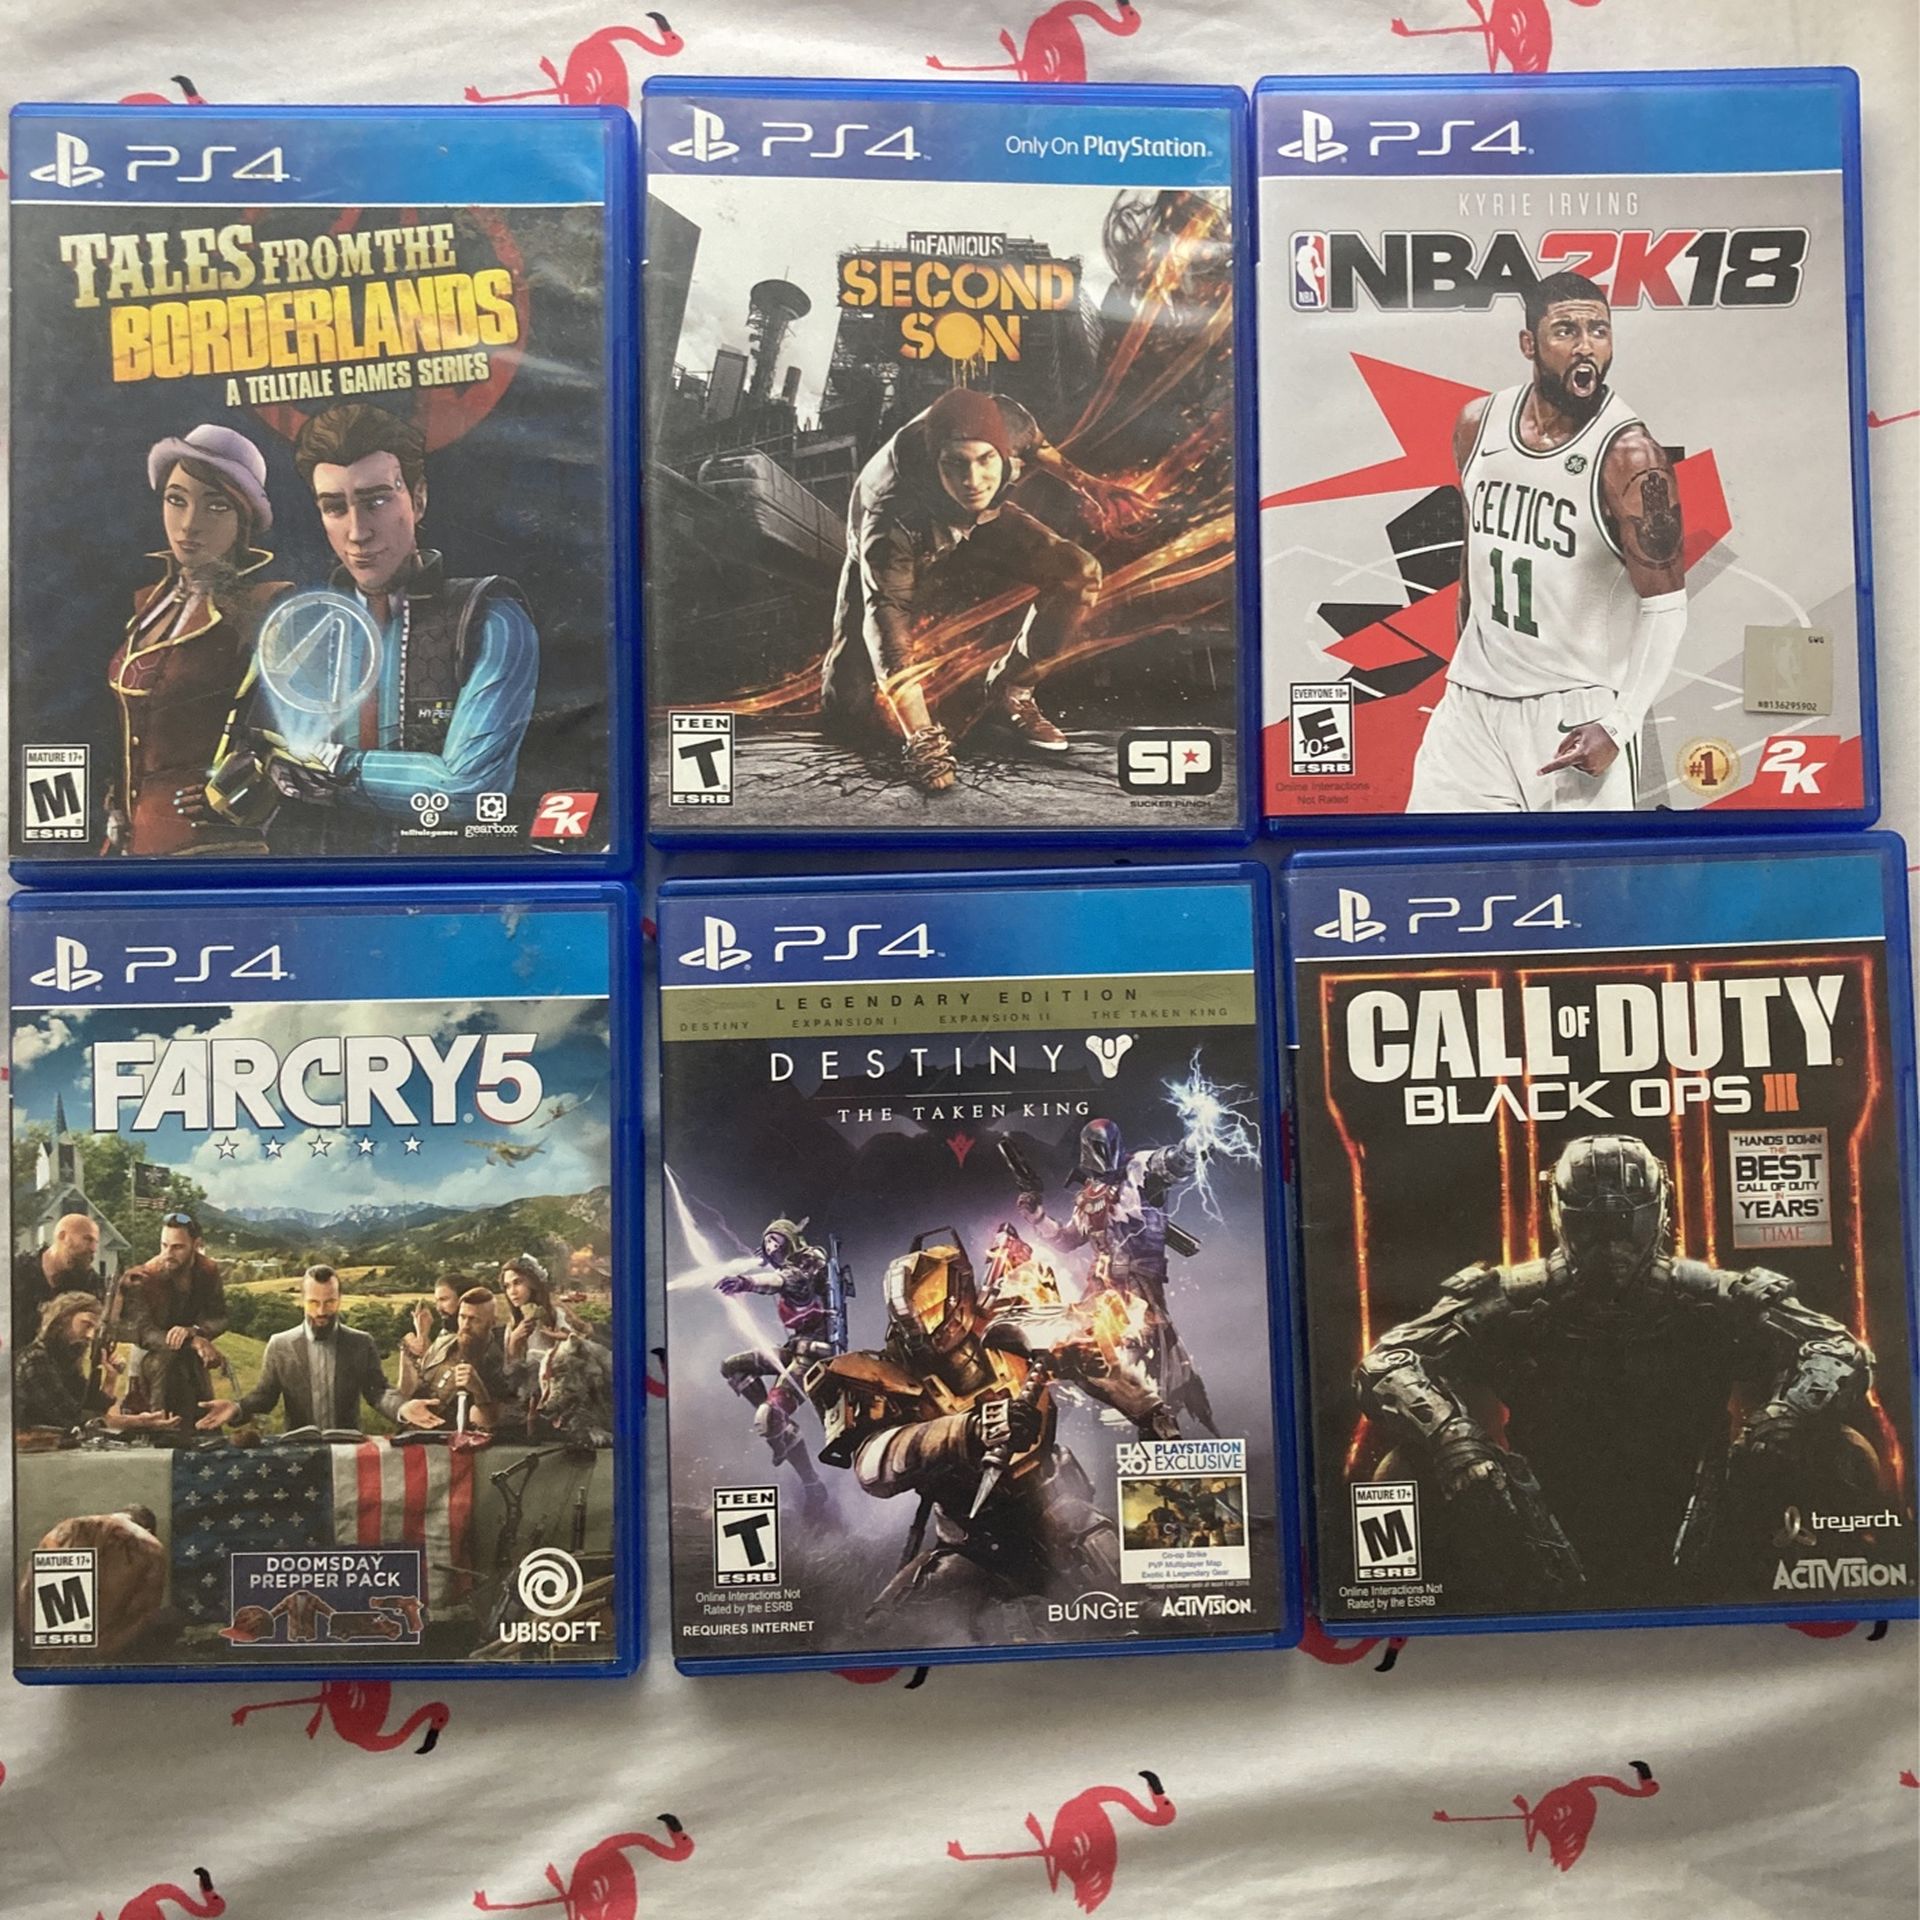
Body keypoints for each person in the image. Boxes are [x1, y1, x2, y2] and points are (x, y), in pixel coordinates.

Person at [1355, 1134, 1883, 1604]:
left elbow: (1838, 1349)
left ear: (1656, 1215)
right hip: (1538, 1516)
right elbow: (1386, 1364)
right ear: (1563, 1218)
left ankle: (1851, 1581)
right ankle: (1407, 1598)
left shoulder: (1711, 1296)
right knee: (1400, 1471)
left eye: (1626, 1224)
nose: (1610, 1246)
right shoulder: (1513, 1299)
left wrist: (1787, 1415)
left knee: (1842, 1451)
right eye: (1591, 1226)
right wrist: (1450, 1436)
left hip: (1704, 1508)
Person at [1408, 271, 1689, 813]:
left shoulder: (1631, 458)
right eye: (1566, 331)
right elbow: (1474, 555)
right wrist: (1464, 664)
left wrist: (1618, 725)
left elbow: (1666, 607)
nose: (1586, 346)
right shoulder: (1478, 424)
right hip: (1472, 706)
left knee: (1572, 871)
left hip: (1573, 715)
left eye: (1599, 331)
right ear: (1528, 343)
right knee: (1437, 857)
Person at [805, 1231, 1176, 1641]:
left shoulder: (1018, 1318)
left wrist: (1151, 1414)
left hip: (1057, 1510)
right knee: (882, 1633)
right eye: (916, 1329)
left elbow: (1095, 1364)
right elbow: (873, 1466)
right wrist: (965, 1431)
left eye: (941, 1324)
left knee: (1158, 1611)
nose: (934, 1339)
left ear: (963, 1297)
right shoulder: (887, 1372)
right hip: (972, 1541)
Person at [222, 403, 539, 844]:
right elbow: (255, 761)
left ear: (418, 499)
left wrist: (331, 764)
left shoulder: (489, 617)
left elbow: (468, 789)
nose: (358, 532)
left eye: (376, 501)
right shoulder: (298, 627)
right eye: (335, 507)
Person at [817, 387, 1143, 793]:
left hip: (981, 521)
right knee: (846, 707)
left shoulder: (1011, 421)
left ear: (1004, 451)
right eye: (955, 464)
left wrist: (1090, 485)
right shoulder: (890, 517)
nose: (973, 481)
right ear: (935, 461)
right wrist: (924, 743)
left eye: (986, 460)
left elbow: (1039, 448)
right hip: (910, 526)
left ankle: (1012, 691)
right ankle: (859, 712)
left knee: (1078, 572)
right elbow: (887, 622)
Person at [105, 423, 291, 854]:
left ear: (244, 518)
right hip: (129, 843)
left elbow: (300, 737)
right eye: (176, 500)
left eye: (216, 506)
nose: (189, 524)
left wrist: (244, 797)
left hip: (213, 847)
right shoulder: (148, 603)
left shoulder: (265, 607)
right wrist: (115, 801)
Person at [1012, 1117, 1216, 1432]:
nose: (1104, 1153)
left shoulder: (1140, 1170)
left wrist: (1195, 1143)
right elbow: (1067, 1240)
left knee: (1139, 1345)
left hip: (1137, 1283)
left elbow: (1174, 1162)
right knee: (1072, 1344)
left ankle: (1155, 1416)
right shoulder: (1088, 1196)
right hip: (1099, 1288)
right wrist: (1038, 1218)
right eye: (1097, 1147)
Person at [195, 1267, 414, 1434]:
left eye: (330, 1302)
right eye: (313, 1303)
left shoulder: (361, 1343)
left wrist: (403, 1409)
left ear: (340, 1299)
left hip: (348, 1453)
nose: (321, 1311)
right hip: (298, 1455)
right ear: (302, 1300)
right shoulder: (279, 1345)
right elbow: (265, 1396)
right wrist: (236, 1409)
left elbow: (378, 1392)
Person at [715, 1218, 836, 1516]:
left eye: (776, 1242)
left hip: (815, 1358)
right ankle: (780, 1426)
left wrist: (747, 1282)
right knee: (733, 1367)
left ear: (790, 1243)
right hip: (793, 1350)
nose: (770, 1248)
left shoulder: (809, 1263)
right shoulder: (789, 1262)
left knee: (768, 1417)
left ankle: (812, 1485)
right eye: (767, 1242)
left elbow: (785, 1280)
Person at [15, 1291, 178, 1435]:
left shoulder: (63, 1361)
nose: (91, 1335)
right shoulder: (35, 1359)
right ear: (63, 1318)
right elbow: (73, 1417)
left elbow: (90, 1408)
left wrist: (111, 1378)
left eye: (95, 1328)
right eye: (86, 1324)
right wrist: (136, 1423)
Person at [118, 1212, 229, 1422]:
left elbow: (220, 1317)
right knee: (151, 1425)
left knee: (203, 1424)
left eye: (177, 1247)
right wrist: (192, 1341)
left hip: (191, 1365)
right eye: (164, 1245)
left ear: (196, 1244)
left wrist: (195, 1331)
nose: (168, 1254)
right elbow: (143, 1332)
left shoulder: (207, 1270)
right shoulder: (143, 1278)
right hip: (149, 1363)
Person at [399, 1286, 514, 1430]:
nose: (465, 1325)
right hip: (411, 1431)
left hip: (450, 1438)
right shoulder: (444, 1343)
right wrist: (407, 1354)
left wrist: (478, 1391)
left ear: (492, 1322)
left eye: (474, 1319)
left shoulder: (498, 1362)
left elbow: (489, 1424)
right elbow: (405, 1392)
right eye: (462, 1317)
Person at [12, 1213, 101, 1350]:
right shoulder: (15, 1272)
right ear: (62, 1236)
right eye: (87, 1239)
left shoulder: (90, 1284)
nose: (93, 1249)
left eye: (95, 1242)